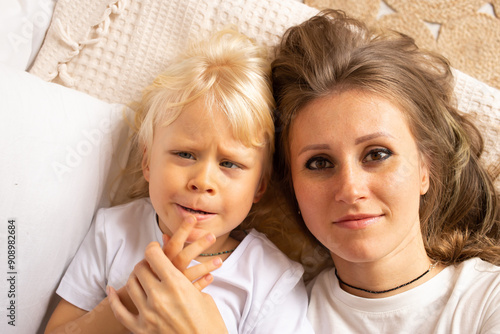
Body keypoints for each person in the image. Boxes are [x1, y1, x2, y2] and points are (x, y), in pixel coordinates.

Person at [44, 28, 313, 334]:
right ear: (148, 162)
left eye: (229, 163)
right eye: (185, 154)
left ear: (259, 187)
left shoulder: (271, 280)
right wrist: (134, 299)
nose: (203, 180)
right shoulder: (115, 231)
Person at [270, 9, 500, 333]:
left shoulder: (488, 301)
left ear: (425, 167)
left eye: (377, 154)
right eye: (319, 163)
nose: (350, 189)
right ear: (290, 185)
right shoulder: (274, 315)